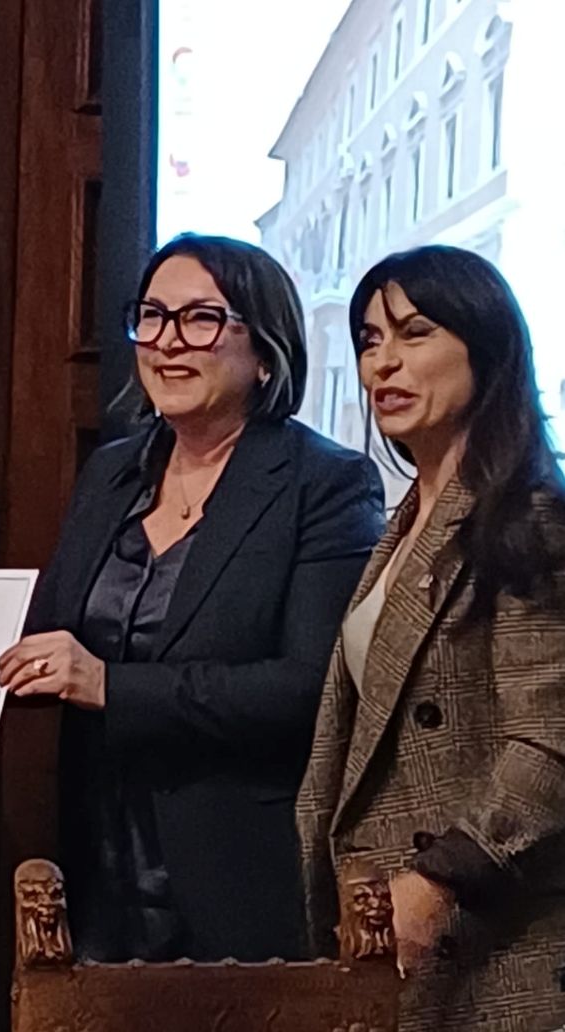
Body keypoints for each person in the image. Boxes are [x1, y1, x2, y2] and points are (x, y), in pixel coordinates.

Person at [0, 232, 385, 964]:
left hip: (239, 872)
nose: (169, 342)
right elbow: (45, 640)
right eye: (152, 315)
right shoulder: (113, 472)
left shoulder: (324, 485)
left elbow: (307, 689)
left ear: (265, 349)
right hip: (95, 866)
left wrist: (111, 686)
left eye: (202, 319)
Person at [297, 246, 565, 1032]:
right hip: (385, 931)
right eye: (370, 339)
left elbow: (548, 741)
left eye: (414, 333)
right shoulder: (406, 523)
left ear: (486, 346)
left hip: (494, 944)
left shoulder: (531, 518)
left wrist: (436, 882)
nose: (383, 362)